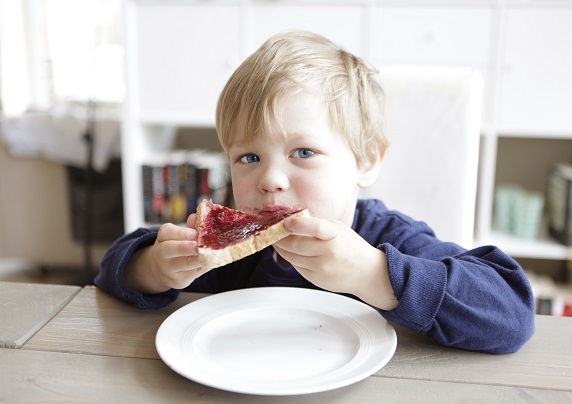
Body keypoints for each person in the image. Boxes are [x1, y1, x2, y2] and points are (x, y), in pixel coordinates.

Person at [96, 30, 534, 354]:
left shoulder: (388, 239)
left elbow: (511, 311)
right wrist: (153, 268)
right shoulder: (237, 252)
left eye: (302, 151)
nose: (270, 179)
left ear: (366, 161)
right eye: (249, 157)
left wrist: (374, 275)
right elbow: (112, 269)